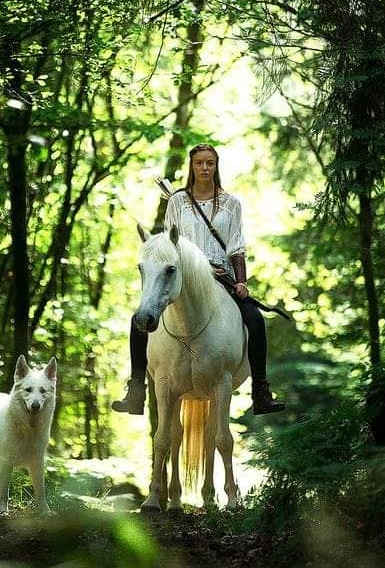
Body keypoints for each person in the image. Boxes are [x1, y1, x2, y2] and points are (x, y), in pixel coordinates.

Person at [112, 144, 285, 416]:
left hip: (221, 276)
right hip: (186, 277)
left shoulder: (231, 204)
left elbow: (237, 247)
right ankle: (136, 391)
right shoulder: (176, 202)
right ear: (191, 167)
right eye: (199, 163)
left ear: (216, 167)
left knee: (255, 319)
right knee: (139, 320)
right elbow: (171, 246)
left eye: (210, 163)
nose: (205, 168)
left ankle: (261, 391)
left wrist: (240, 280)